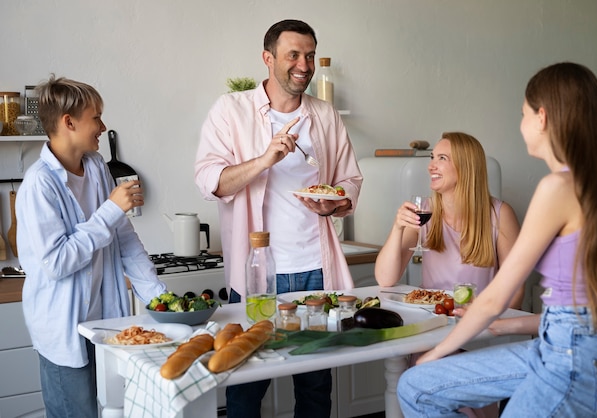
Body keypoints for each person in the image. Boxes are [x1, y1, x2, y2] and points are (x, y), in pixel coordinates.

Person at [397, 62, 597, 417]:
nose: (521, 124)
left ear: (542, 118)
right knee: (415, 386)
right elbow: (583, 310)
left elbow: (496, 297)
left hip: (573, 363)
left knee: (417, 380)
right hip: (574, 349)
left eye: (523, 113)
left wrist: (433, 354)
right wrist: (505, 325)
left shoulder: (558, 188)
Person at [194, 19, 362, 417]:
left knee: (317, 386)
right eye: (293, 55)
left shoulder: (324, 115)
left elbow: (350, 179)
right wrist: (266, 159)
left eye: (308, 55)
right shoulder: (230, 110)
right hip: (257, 275)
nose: (303, 65)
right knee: (245, 386)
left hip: (315, 272)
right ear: (268, 58)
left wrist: (334, 203)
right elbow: (210, 180)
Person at [16, 76, 167, 418]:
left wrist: (159, 299)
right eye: (96, 117)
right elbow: (57, 262)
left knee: (116, 410)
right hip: (64, 331)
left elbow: (123, 238)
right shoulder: (39, 185)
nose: (103, 126)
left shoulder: (97, 166)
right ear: (69, 122)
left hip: (106, 325)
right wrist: (111, 209)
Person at [375, 132, 524, 309]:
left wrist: (492, 325)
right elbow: (385, 279)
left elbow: (515, 289)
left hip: (478, 319)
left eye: (442, 158)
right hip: (432, 316)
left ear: (465, 167)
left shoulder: (499, 214)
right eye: (432, 157)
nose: (431, 166)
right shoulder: (424, 210)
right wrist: (397, 228)